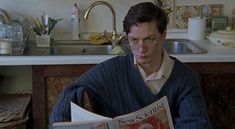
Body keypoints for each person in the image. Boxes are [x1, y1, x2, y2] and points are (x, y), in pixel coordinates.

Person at [50, 2, 212, 129]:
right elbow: (70, 93)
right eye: (134, 40)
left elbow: (196, 123)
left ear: (163, 36)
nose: (141, 48)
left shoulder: (185, 78)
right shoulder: (112, 70)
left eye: (149, 39)